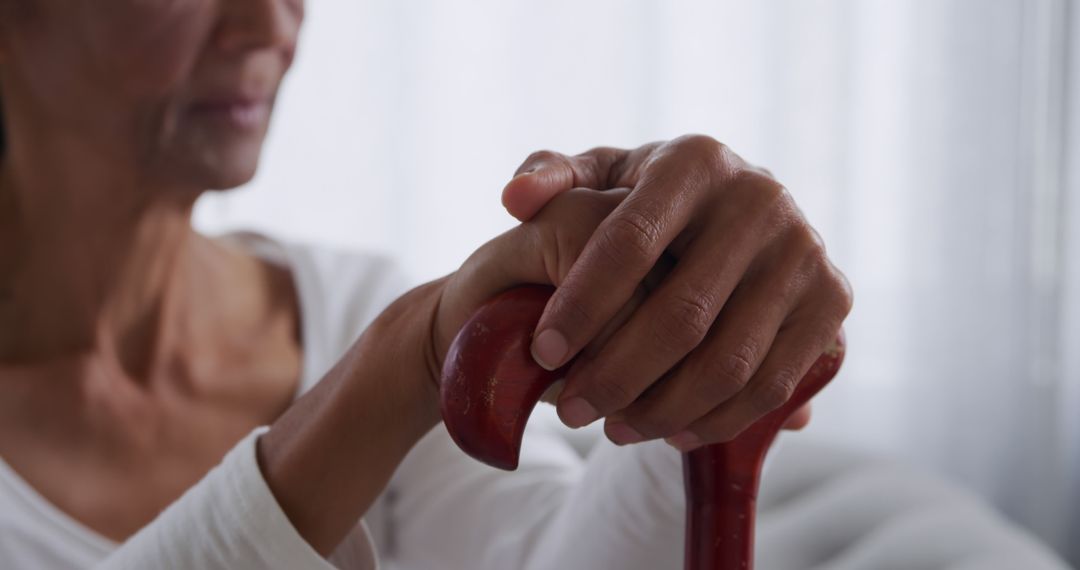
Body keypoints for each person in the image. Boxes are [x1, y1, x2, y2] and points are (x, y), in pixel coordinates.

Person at [0, 1, 851, 568]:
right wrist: (407, 362)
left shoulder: (345, 304)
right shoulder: (387, 340)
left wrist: (685, 342)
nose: (268, 22)